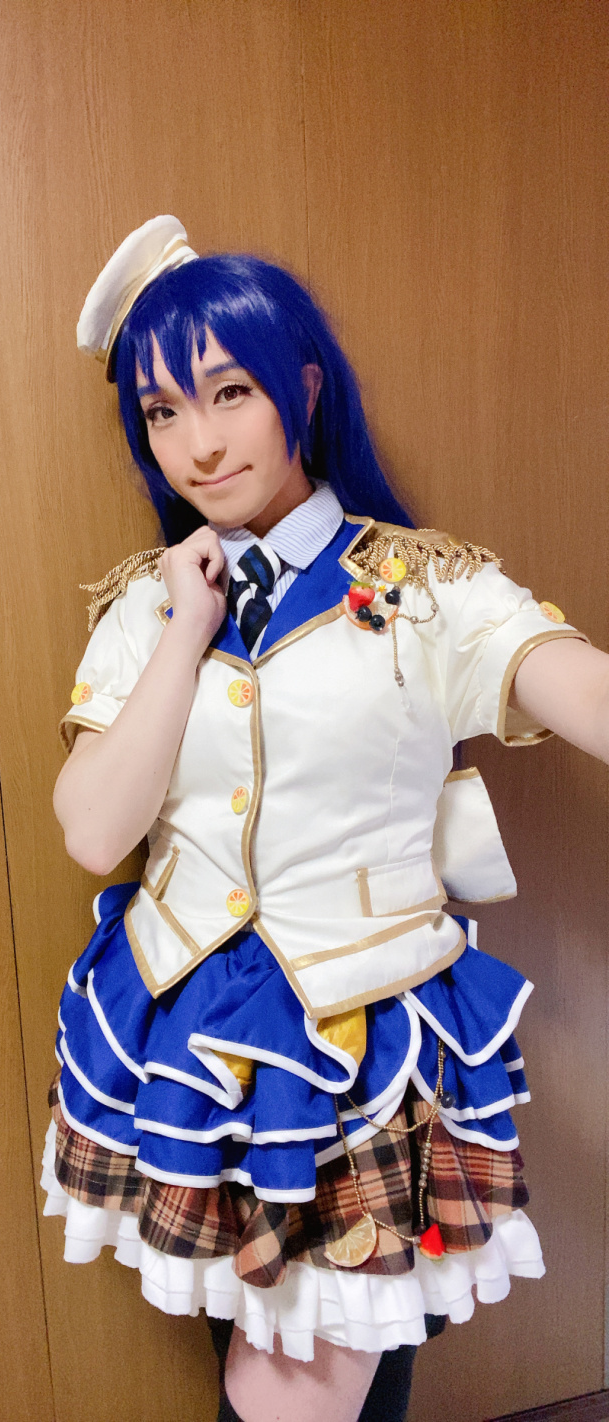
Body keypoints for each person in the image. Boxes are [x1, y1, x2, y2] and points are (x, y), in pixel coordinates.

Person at [41, 217, 609, 1422]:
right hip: (183, 1034)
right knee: (260, 1339)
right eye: (160, 412)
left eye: (228, 393)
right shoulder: (144, 609)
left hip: (360, 1043)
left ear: (300, 388)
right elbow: (94, 832)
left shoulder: (427, 585)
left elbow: (582, 689)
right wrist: (186, 629)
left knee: (296, 1380)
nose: (197, 445)